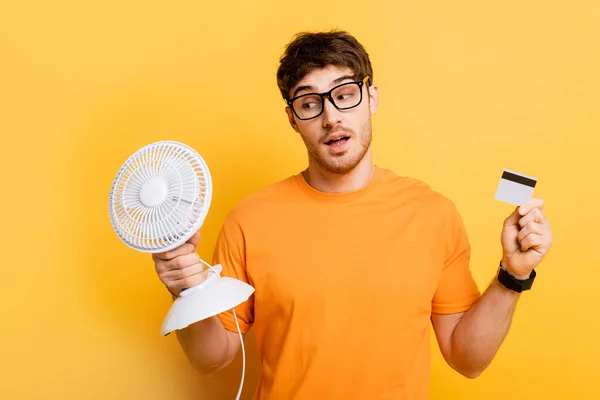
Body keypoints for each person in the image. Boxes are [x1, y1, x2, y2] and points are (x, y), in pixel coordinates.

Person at [152, 30, 553, 399]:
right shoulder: (249, 220)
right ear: (292, 118)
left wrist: (511, 276)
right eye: (309, 103)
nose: (331, 117)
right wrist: (185, 292)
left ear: (371, 98)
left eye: (344, 95)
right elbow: (212, 359)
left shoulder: (432, 214)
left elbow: (468, 360)